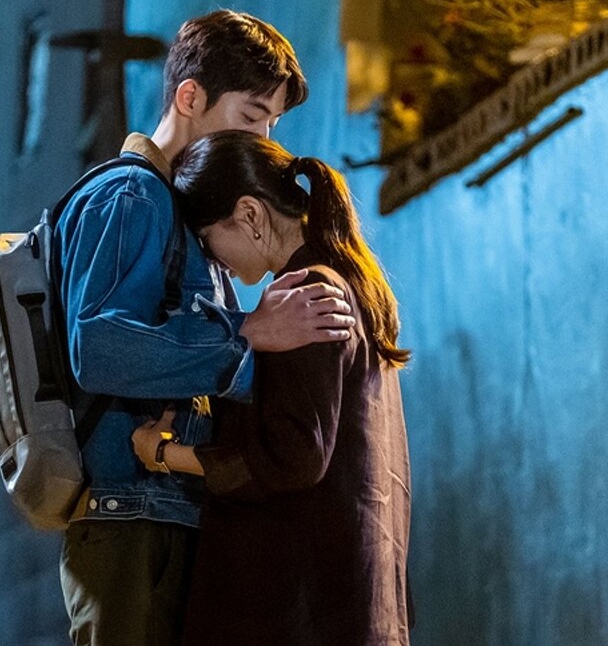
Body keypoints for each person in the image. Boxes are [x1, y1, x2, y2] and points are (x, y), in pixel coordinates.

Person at [54, 11, 356, 646]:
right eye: (251, 116)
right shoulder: (133, 195)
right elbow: (99, 345)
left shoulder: (183, 213)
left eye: (272, 125)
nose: (262, 140)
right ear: (190, 98)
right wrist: (247, 333)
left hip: (171, 514)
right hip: (132, 519)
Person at [132, 130, 413, 645]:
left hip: (300, 610)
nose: (213, 261)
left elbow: (294, 456)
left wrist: (165, 453)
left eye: (207, 239)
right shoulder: (349, 284)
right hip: (346, 603)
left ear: (250, 215)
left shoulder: (305, 295)